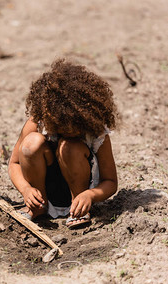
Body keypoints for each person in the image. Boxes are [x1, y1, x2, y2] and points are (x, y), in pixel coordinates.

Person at [8, 59, 118, 229]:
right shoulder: (39, 122)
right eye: (60, 128)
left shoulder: (96, 132)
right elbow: (14, 163)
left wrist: (90, 195)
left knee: (70, 147)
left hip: (81, 189)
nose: (67, 132)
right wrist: (26, 190)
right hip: (46, 185)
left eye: (74, 130)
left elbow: (110, 181)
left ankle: (78, 207)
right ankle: (39, 207)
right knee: (31, 143)